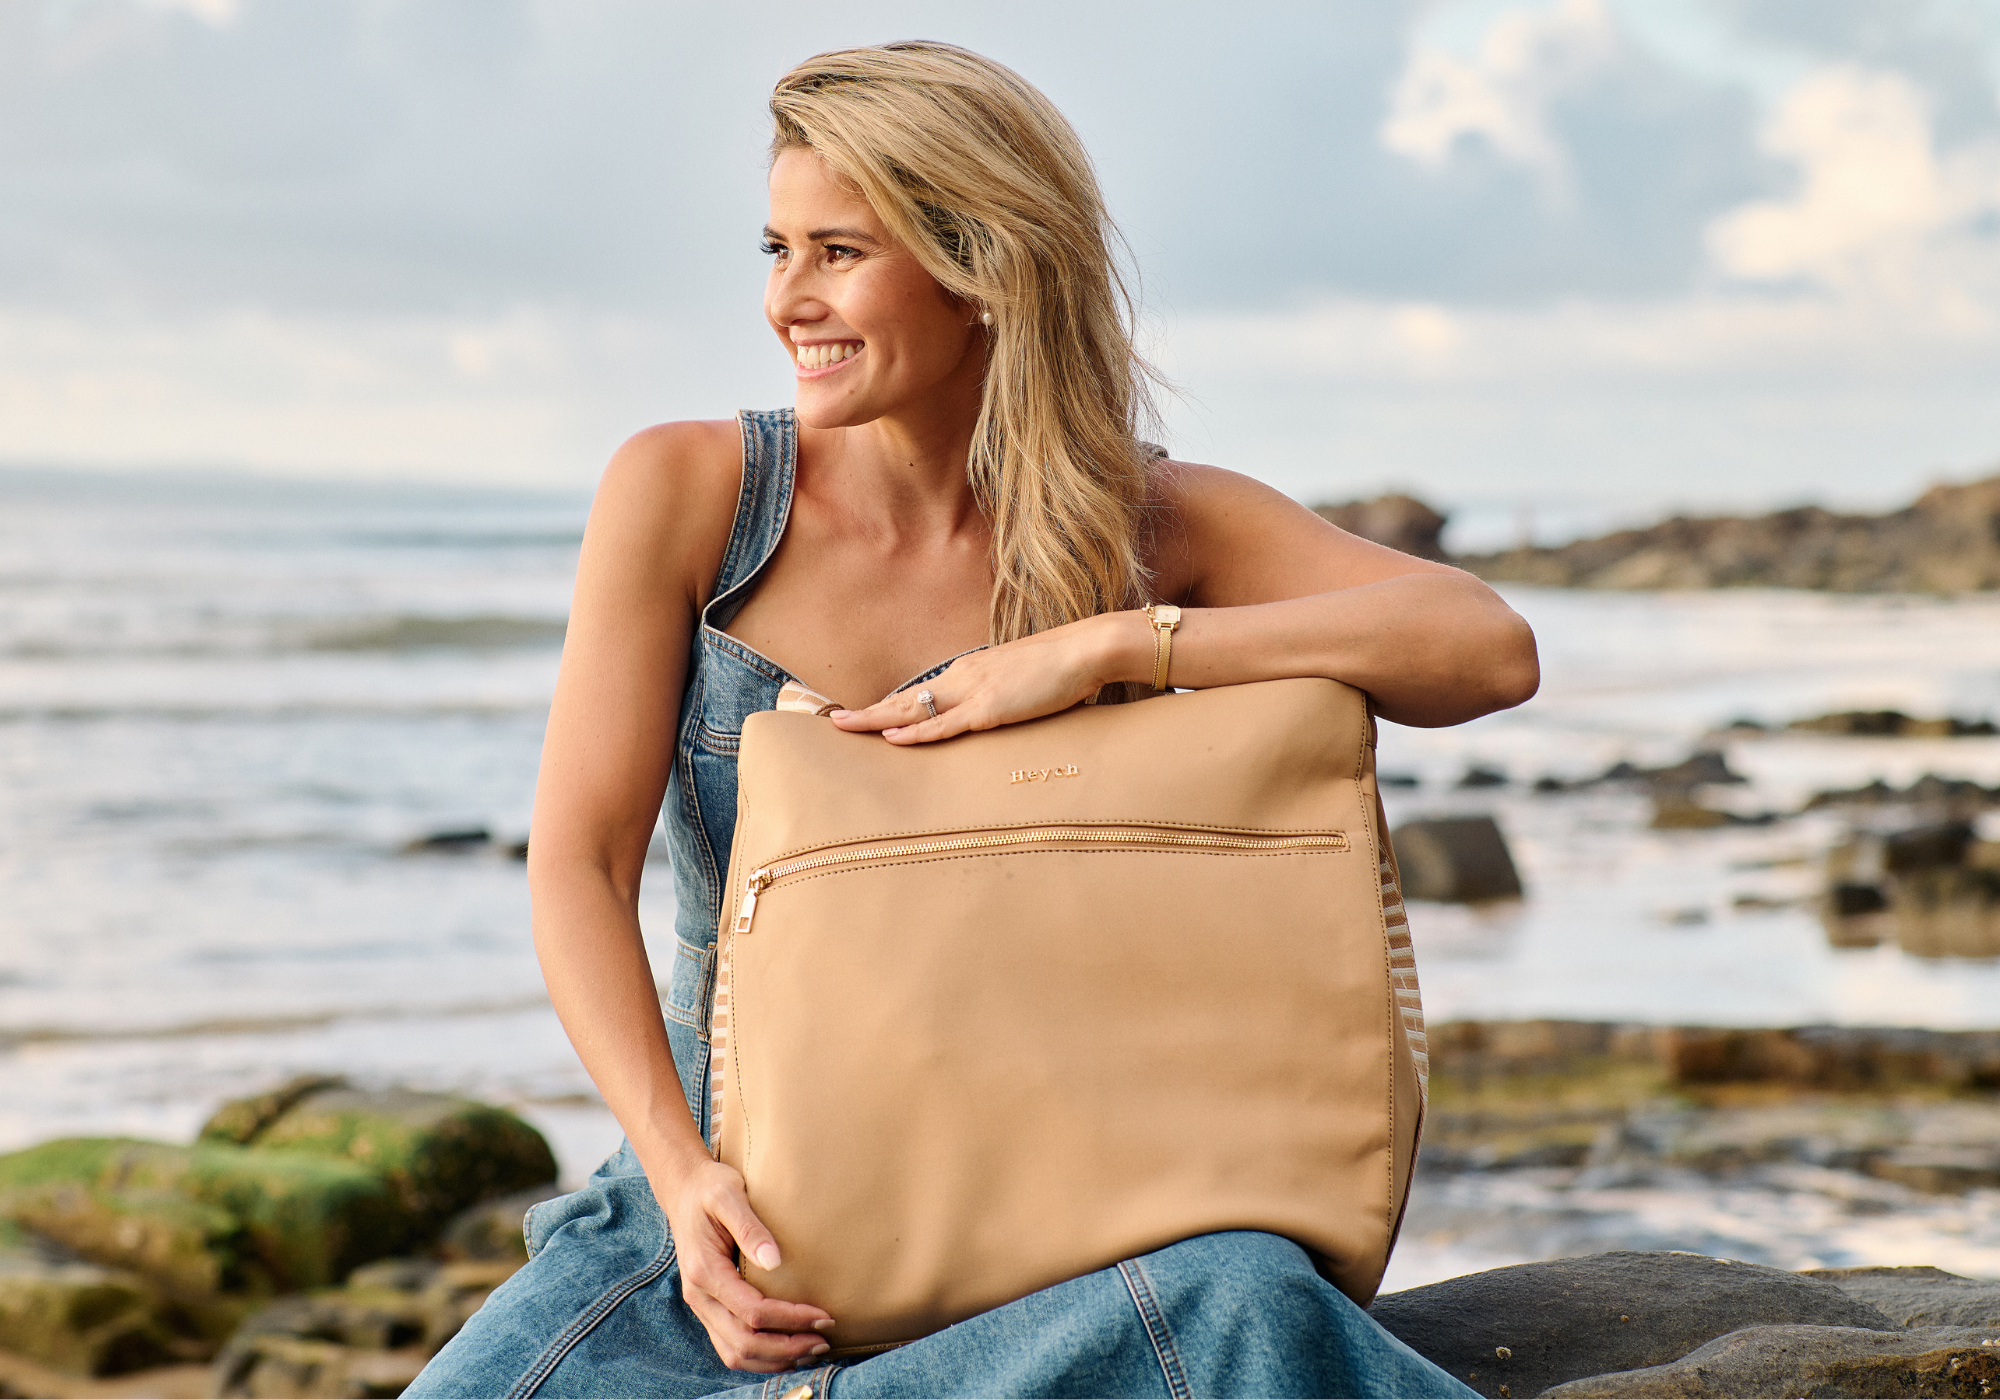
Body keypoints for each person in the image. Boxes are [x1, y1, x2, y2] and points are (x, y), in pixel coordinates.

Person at [408, 40, 1536, 1400]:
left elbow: (1483, 647)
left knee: (1237, 1306)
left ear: (982, 266)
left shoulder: (1150, 524)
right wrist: (681, 1174)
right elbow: (579, 866)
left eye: (839, 253)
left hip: (1063, 1183)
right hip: (742, 1202)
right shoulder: (693, 491)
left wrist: (1119, 646)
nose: (788, 301)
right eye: (776, 249)